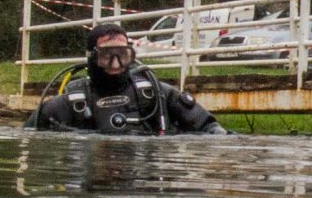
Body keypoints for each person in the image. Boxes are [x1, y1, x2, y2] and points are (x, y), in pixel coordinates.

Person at [24, 21, 225, 135]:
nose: (115, 64)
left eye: (122, 55)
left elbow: (211, 129)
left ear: (132, 56)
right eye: (106, 56)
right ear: (92, 58)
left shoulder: (156, 94)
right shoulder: (69, 103)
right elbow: (27, 137)